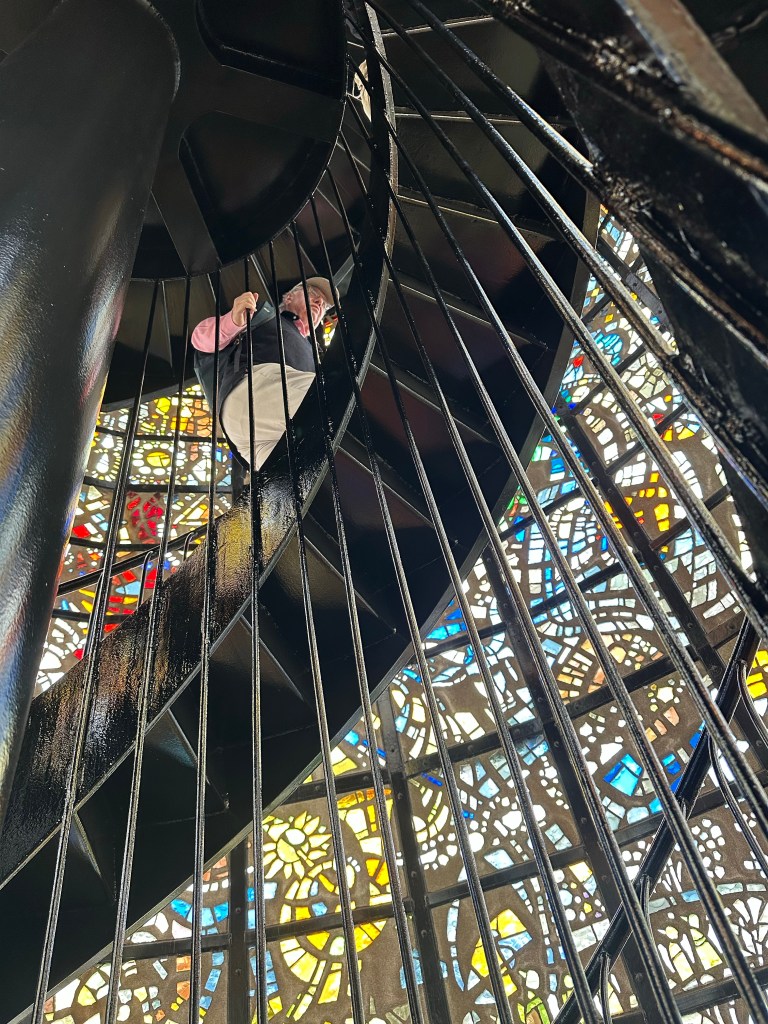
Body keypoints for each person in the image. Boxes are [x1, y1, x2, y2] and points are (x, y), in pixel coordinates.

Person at [191, 278, 334, 474]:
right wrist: (233, 321)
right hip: (252, 395)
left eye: (324, 305)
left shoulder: (313, 351)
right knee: (333, 396)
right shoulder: (265, 315)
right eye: (313, 294)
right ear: (289, 297)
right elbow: (201, 340)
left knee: (307, 478)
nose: (319, 302)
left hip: (249, 440)